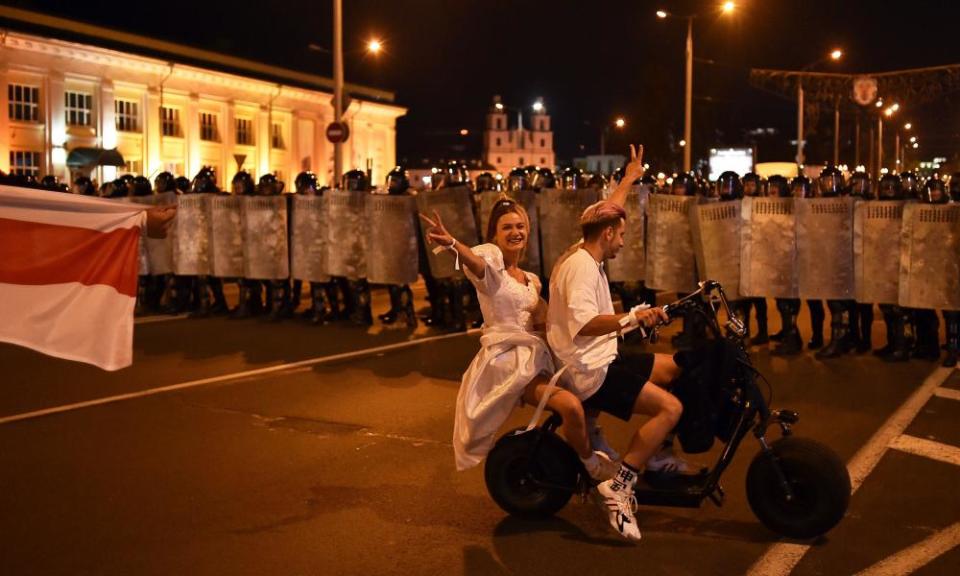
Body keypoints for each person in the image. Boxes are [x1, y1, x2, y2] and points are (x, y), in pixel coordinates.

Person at [420, 199, 619, 484]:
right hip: (510, 362)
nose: (515, 232)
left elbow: (586, 244)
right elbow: (476, 263)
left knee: (593, 385)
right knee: (570, 406)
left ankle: (592, 439)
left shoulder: (531, 280)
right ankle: (593, 469)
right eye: (507, 227)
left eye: (520, 226)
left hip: (537, 356)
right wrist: (453, 243)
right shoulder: (492, 270)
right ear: (494, 236)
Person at [548, 144, 686, 542]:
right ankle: (620, 487)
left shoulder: (586, 252)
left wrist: (628, 179)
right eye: (622, 235)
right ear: (607, 235)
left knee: (675, 367)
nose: (624, 242)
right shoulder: (580, 269)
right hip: (590, 371)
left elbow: (608, 210)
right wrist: (632, 318)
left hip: (604, 355)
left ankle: (657, 452)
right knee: (670, 408)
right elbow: (585, 324)